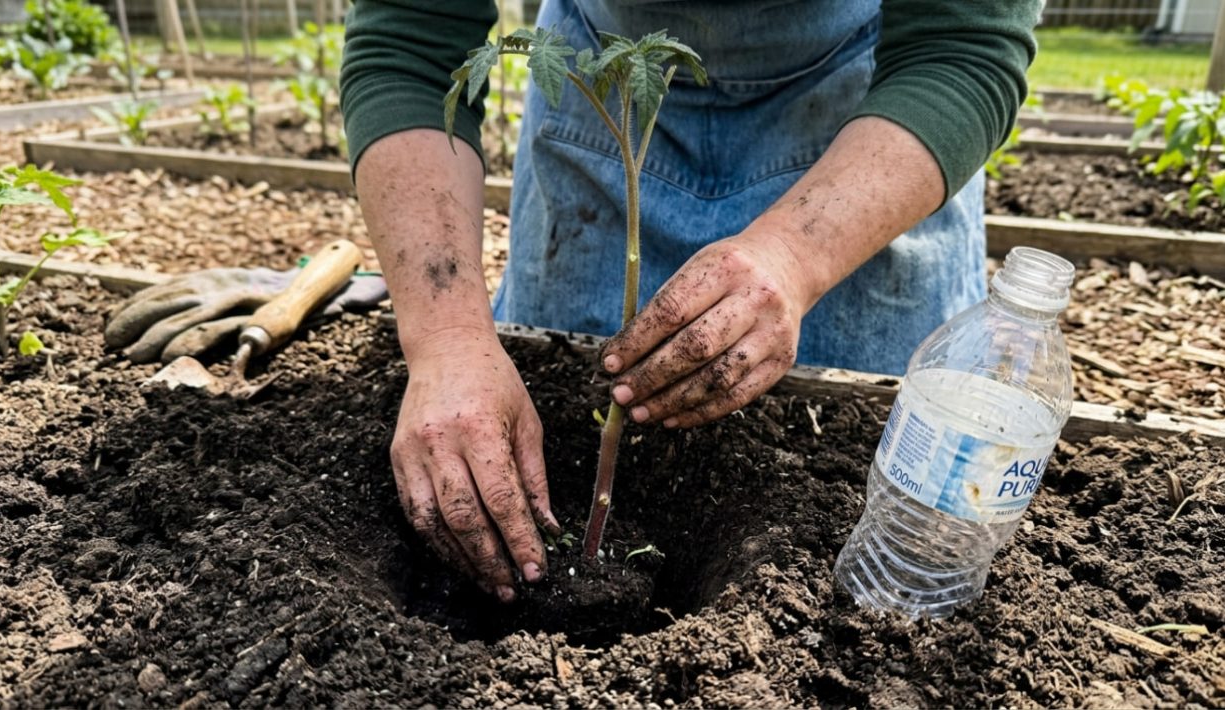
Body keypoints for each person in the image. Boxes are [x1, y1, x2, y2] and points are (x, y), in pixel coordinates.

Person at [341, 0, 1042, 602]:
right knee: (558, 431)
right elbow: (412, 38)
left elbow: (965, 44)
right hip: (605, 98)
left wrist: (798, 254)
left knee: (850, 503)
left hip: (874, 130)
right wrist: (447, 339)